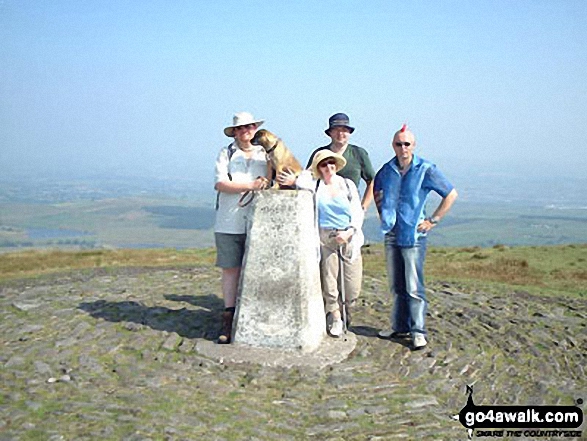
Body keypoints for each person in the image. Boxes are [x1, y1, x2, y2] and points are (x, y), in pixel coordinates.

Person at [374, 124, 458, 349]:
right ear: (393, 145)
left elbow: (450, 194)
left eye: (407, 144)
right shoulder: (387, 169)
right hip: (392, 233)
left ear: (414, 145)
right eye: (399, 144)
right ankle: (399, 326)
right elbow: (377, 189)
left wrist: (433, 220)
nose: (403, 148)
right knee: (397, 286)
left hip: (414, 235)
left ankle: (418, 330)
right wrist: (383, 213)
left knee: (414, 287)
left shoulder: (426, 169)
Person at [214, 112, 270, 344]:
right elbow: (220, 183)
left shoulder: (266, 153)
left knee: (259, 269)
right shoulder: (226, 153)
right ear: (235, 131)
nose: (246, 130)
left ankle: (255, 315)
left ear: (255, 128)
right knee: (231, 269)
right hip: (228, 220)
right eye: (241, 128)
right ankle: (229, 316)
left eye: (250, 126)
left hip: (260, 221)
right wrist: (251, 186)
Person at [306, 150, 364, 337]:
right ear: (318, 168)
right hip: (325, 237)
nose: (328, 167)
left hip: (349, 236)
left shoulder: (347, 185)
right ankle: (335, 316)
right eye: (323, 164)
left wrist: (349, 232)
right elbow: (300, 179)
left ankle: (347, 308)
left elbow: (357, 210)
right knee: (329, 279)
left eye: (331, 163)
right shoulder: (315, 186)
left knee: (352, 282)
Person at [304, 113, 376, 211]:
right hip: (323, 209)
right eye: (336, 130)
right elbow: (307, 179)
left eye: (344, 130)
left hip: (350, 207)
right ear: (330, 133)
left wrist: (363, 207)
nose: (340, 134)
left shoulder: (359, 153)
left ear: (349, 133)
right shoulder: (319, 154)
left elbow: (371, 181)